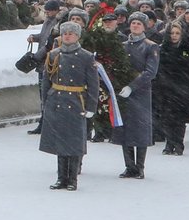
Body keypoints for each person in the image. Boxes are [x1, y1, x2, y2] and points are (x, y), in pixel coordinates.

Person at [39, 20, 99, 190]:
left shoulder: (86, 57)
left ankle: (72, 179)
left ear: (77, 36)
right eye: (64, 33)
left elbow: (93, 84)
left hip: (76, 101)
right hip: (57, 100)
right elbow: (47, 81)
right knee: (59, 142)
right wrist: (45, 102)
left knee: (73, 143)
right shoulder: (53, 54)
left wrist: (90, 107)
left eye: (71, 33)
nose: (67, 36)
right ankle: (61, 178)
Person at [112, 12, 159, 177]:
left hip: (141, 93)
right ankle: (129, 166)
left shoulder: (150, 46)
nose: (135, 26)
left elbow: (150, 72)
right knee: (125, 129)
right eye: (133, 23)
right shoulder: (123, 45)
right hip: (123, 92)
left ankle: (139, 167)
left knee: (140, 129)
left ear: (145, 26)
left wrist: (132, 86)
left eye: (139, 23)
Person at [153, 21, 189, 156]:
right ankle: (169, 143)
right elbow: (158, 68)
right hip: (165, 89)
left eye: (177, 33)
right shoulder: (162, 48)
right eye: (171, 33)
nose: (174, 36)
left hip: (183, 89)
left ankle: (178, 144)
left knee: (180, 118)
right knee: (167, 117)